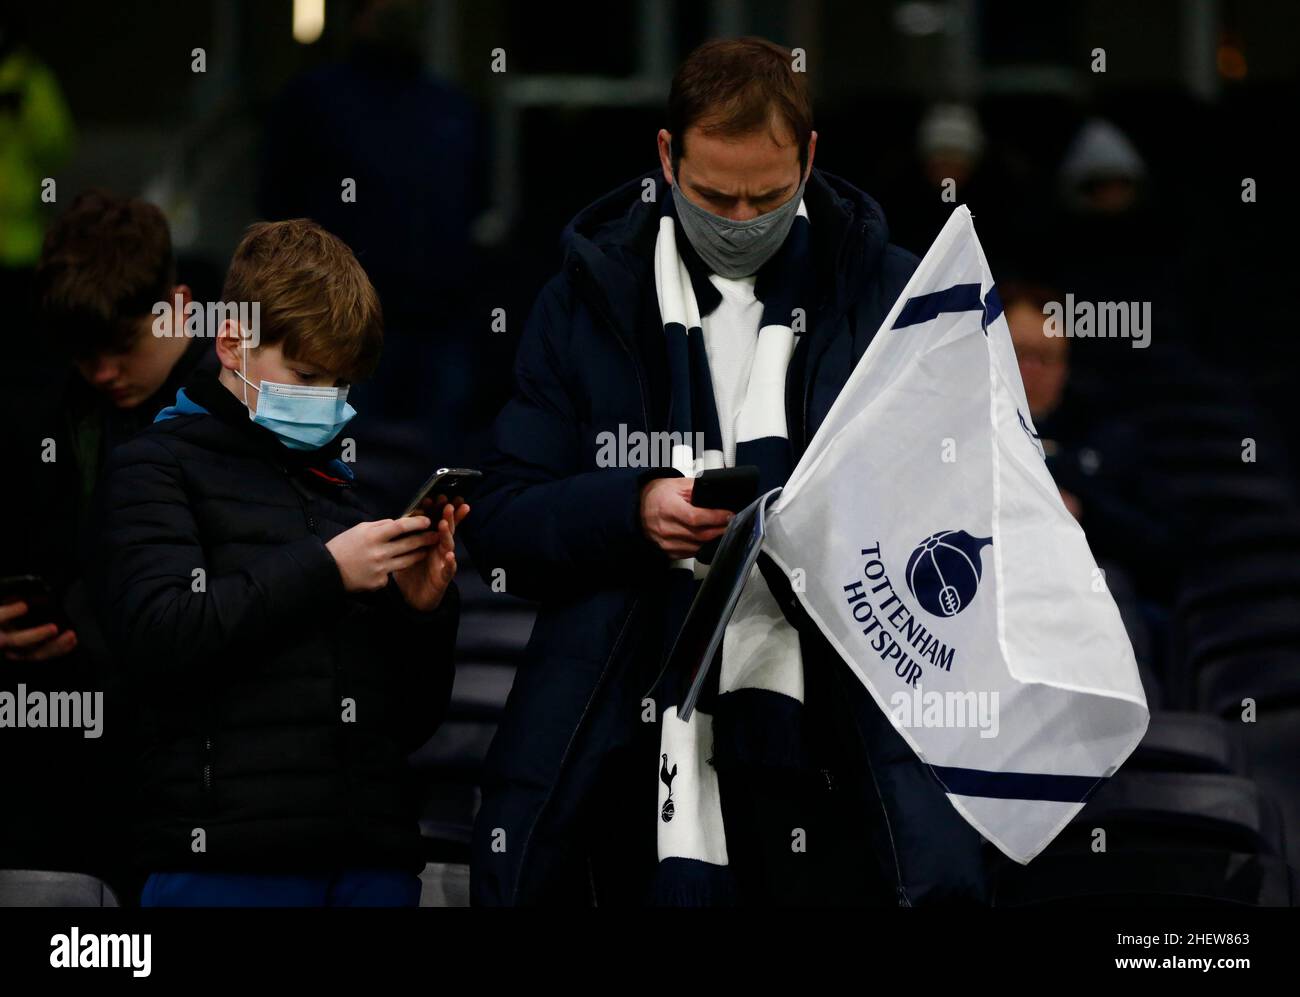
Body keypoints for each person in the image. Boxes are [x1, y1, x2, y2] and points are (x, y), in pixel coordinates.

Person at [463, 37, 989, 906]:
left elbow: (964, 509)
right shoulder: (584, 297)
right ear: (665, 156)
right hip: (624, 729)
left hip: (841, 741)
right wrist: (635, 510)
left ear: (811, 158)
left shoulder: (894, 294)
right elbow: (503, 518)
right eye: (714, 196)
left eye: (769, 195)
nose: (741, 218)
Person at [94, 219, 464, 906]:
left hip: (368, 861)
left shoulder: (347, 496)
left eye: (340, 382)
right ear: (232, 343)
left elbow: (407, 721)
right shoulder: (154, 467)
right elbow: (160, 636)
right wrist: (325, 571)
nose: (325, 399)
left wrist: (423, 612)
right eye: (305, 374)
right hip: (225, 864)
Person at [0, 189, 206, 895]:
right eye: (82, 356)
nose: (102, 373)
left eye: (121, 348)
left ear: (180, 305)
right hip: (59, 765)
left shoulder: (241, 419)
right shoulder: (45, 416)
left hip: (192, 777)